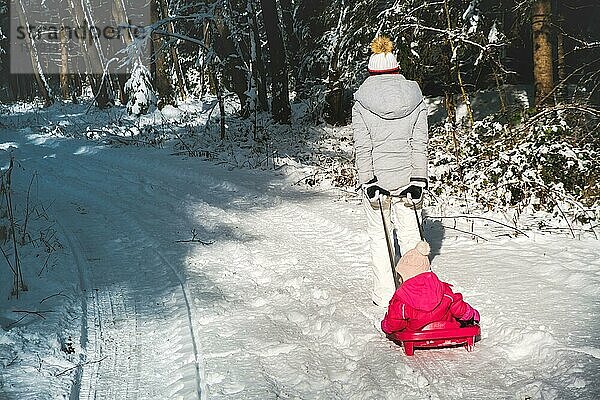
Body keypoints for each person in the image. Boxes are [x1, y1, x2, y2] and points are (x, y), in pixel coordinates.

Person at [352, 35, 429, 306]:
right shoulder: (416, 99)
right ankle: (419, 297)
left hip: (377, 182)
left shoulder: (362, 102)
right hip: (409, 180)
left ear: (371, 70)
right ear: (397, 68)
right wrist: (419, 179)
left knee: (379, 238)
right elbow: (419, 143)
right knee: (411, 238)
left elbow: (363, 148)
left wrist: (368, 181)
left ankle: (385, 296)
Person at [381, 241, 480, 335]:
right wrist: (471, 314)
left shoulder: (401, 299)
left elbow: (395, 324)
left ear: (405, 276)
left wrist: (386, 325)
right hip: (446, 330)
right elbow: (459, 308)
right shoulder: (442, 289)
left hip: (418, 334)